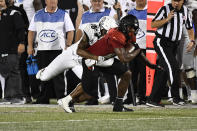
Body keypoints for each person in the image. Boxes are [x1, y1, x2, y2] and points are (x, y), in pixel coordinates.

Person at [58, 14, 161, 113]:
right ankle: (68, 100)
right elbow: (124, 58)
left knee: (127, 74)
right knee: (89, 95)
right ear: (125, 27)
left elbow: (137, 50)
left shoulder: (129, 34)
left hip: (106, 59)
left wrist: (150, 65)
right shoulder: (115, 36)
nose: (133, 30)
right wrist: (136, 51)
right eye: (131, 28)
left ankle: (118, 105)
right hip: (92, 60)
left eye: (134, 28)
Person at [146, 0, 195, 107]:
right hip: (162, 42)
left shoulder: (186, 11)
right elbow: (153, 23)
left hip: (173, 45)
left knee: (163, 71)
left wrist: (192, 40)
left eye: (178, 1)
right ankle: (175, 97)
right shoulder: (165, 9)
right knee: (173, 67)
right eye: (174, 0)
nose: (175, 3)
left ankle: (153, 99)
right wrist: (167, 19)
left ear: (183, 1)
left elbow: (190, 27)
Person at [27, 0, 74, 104]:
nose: (52, 1)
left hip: (58, 50)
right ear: (46, 1)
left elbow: (70, 31)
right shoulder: (37, 15)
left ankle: (62, 98)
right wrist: (30, 46)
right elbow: (31, 32)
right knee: (43, 75)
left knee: (59, 75)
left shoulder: (64, 14)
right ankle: (43, 98)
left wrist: (68, 45)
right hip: (42, 50)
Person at [0, 0, 25, 104]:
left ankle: (17, 96)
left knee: (13, 71)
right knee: (4, 72)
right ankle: (8, 96)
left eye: (1, 1)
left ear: (5, 2)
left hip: (11, 48)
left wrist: (22, 43)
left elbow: (21, 29)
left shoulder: (13, 13)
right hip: (1, 48)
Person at [127, 0, 147, 105]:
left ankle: (142, 96)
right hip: (132, 47)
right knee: (131, 73)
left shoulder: (149, 12)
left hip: (144, 47)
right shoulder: (130, 13)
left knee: (143, 74)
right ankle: (130, 96)